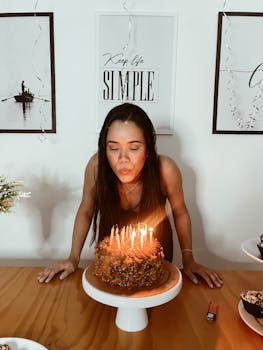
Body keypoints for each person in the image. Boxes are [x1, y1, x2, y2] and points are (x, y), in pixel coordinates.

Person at [37, 103, 223, 288]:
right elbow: (86, 210)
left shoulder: (166, 169)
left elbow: (180, 213)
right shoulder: (96, 167)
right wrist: (73, 258)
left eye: (134, 148)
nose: (123, 159)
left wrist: (188, 259)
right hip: (111, 267)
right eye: (113, 148)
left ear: (148, 149)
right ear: (104, 149)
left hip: (157, 262)